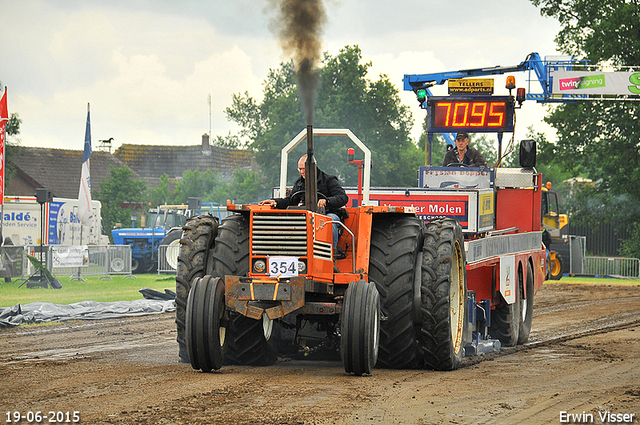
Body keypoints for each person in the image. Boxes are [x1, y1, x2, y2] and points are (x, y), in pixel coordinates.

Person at [259, 154, 348, 259]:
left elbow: (343, 197)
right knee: (291, 221)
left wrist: (327, 201)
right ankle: (290, 253)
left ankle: (331, 253)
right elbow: (291, 201)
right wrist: (275, 202)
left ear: (313, 168)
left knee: (329, 221)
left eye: (304, 169)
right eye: (300, 169)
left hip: (328, 213)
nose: (302, 172)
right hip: (307, 215)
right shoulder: (300, 182)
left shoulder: (329, 180)